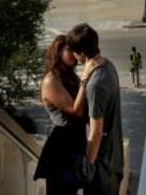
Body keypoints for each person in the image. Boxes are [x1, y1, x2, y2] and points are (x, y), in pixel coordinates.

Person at [34, 34, 99, 195]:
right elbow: (75, 111)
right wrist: (85, 80)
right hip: (61, 148)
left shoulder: (70, 77)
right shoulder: (51, 80)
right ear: (58, 52)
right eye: (70, 50)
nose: (74, 53)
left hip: (76, 143)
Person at [67, 23, 123, 195]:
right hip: (115, 158)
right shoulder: (109, 67)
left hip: (102, 167)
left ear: (82, 54)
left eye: (74, 53)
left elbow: (96, 132)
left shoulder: (95, 85)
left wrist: (87, 169)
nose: (74, 57)